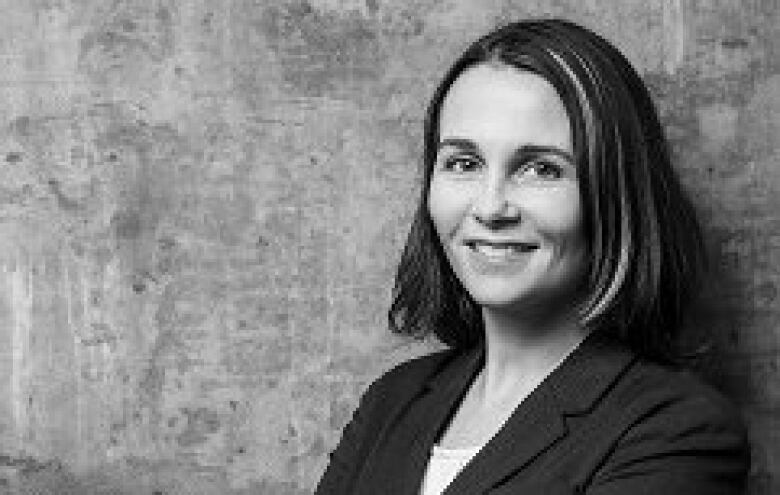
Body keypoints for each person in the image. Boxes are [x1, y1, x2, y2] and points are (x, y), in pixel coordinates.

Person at [315, 18, 749, 494]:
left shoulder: (674, 430)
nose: (489, 208)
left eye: (541, 169)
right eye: (464, 163)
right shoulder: (391, 402)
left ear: (616, 196)